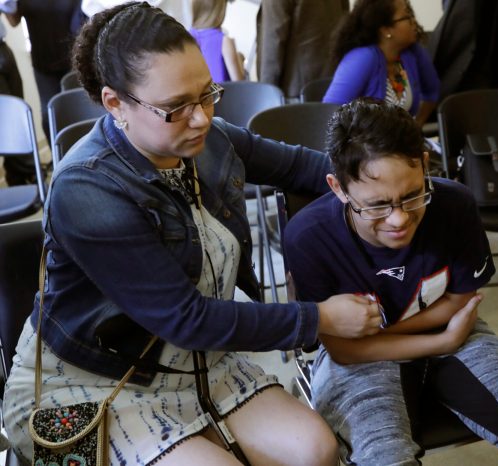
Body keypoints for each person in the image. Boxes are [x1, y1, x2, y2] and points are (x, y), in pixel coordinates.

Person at [1, 3, 384, 465]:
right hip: (96, 382)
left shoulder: (211, 139)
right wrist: (318, 318)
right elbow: (187, 319)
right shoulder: (86, 187)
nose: (201, 117)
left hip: (197, 366)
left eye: (207, 94)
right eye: (175, 107)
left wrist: (397, 186)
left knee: (315, 452)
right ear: (114, 103)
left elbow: (305, 167)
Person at [283, 98, 498, 466]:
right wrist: (442, 339)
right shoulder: (308, 236)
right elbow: (343, 351)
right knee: (383, 456)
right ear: (338, 188)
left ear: (425, 166)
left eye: (413, 195)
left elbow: (462, 299)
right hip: (374, 356)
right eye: (377, 205)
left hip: (442, 337)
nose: (398, 219)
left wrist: (398, 336)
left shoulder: (454, 204)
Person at [323, 0, 439, 128]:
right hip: (366, 145)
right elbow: (330, 113)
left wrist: (416, 126)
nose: (414, 22)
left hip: (404, 144)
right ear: (386, 30)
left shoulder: (412, 52)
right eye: (407, 17)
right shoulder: (363, 58)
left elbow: (432, 92)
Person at [2, 0, 83, 144]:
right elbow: (14, 22)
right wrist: (7, 5)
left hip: (75, 60)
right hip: (43, 62)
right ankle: (59, 157)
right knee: (48, 115)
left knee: (80, 109)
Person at [257, 0, 349, 101]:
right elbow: (345, 19)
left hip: (293, 93)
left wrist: (265, 98)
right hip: (331, 82)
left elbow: (272, 46)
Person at [0, 3, 29, 186]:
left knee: (18, 112)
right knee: (6, 118)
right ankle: (26, 171)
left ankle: (18, 174)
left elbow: (10, 13)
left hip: (2, 47)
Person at [189, 0, 244, 82]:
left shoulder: (186, 36)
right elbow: (240, 84)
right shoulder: (224, 41)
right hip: (223, 94)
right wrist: (239, 59)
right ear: (220, 11)